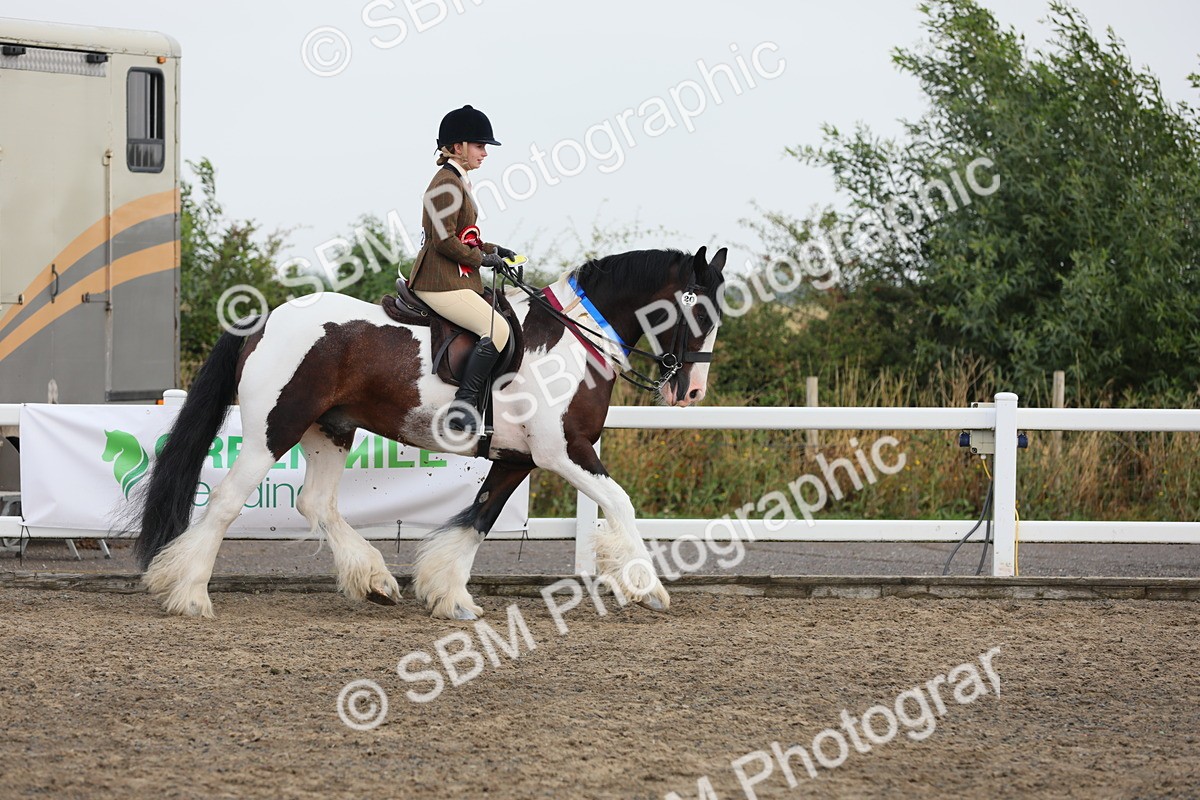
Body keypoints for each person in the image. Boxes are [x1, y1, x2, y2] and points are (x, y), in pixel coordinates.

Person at [409, 105, 517, 434]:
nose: (485, 153)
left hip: (455, 278)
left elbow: (462, 236)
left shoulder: (458, 180)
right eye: (480, 146)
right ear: (458, 147)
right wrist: (481, 260)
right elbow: (443, 241)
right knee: (497, 330)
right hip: (438, 280)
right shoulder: (445, 184)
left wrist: (494, 250)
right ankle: (464, 405)